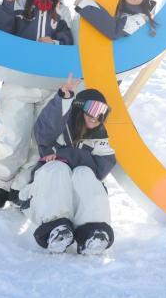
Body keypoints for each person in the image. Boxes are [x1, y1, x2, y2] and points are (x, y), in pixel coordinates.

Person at [0, 0, 75, 210]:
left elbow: (70, 43)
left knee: (40, 140)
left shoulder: (62, 9)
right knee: (13, 137)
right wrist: (6, 5)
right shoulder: (20, 1)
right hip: (19, 81)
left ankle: (20, 188)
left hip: (48, 83)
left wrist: (55, 44)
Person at [20, 77, 116, 255]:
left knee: (85, 173)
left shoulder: (100, 136)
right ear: (79, 108)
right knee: (57, 168)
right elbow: (44, 131)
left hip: (76, 202)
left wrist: (65, 155)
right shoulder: (61, 126)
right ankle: (55, 229)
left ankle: (93, 231)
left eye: (102, 111)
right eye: (93, 109)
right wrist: (64, 99)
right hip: (46, 196)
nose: (97, 116)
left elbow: (101, 169)